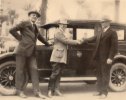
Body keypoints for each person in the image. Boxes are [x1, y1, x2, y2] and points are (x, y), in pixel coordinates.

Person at [9, 10, 50, 99]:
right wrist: (21, 39)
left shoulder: (35, 27)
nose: (35, 17)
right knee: (20, 71)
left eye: (36, 16)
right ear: (29, 16)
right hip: (22, 51)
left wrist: (48, 44)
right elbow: (12, 30)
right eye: (33, 15)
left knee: (34, 70)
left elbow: (40, 37)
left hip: (31, 52)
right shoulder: (24, 23)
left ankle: (37, 92)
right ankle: (19, 91)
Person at [47, 19, 84, 98]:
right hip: (57, 56)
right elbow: (66, 41)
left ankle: (56, 90)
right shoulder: (58, 32)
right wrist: (77, 41)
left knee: (59, 74)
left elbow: (67, 40)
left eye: (65, 25)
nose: (64, 26)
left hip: (61, 56)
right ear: (59, 25)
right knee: (54, 74)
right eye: (63, 24)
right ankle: (50, 91)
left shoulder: (63, 32)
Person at [86, 19, 118, 99]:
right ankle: (99, 91)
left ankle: (104, 93)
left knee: (105, 75)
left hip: (106, 58)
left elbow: (114, 47)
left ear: (108, 23)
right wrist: (83, 40)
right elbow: (93, 38)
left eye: (103, 22)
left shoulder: (112, 32)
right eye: (102, 22)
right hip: (98, 58)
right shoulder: (100, 32)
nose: (102, 23)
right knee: (99, 75)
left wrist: (110, 57)